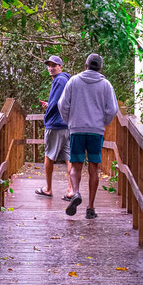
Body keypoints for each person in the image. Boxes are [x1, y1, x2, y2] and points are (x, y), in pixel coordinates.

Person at [57, 53, 119, 219]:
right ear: (100, 67)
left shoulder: (74, 81)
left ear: (85, 65)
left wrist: (70, 120)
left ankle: (76, 192)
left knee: (76, 164)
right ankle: (90, 208)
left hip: (77, 129)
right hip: (95, 130)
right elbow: (112, 110)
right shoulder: (106, 85)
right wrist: (102, 122)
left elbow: (62, 104)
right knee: (93, 167)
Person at [37, 55, 75, 200]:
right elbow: (61, 101)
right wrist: (49, 104)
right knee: (69, 157)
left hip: (55, 124)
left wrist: (48, 111)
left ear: (60, 67)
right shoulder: (66, 80)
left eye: (54, 65)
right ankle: (71, 189)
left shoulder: (59, 80)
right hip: (65, 123)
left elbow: (57, 103)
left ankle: (48, 189)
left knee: (49, 155)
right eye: (49, 65)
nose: (51, 68)